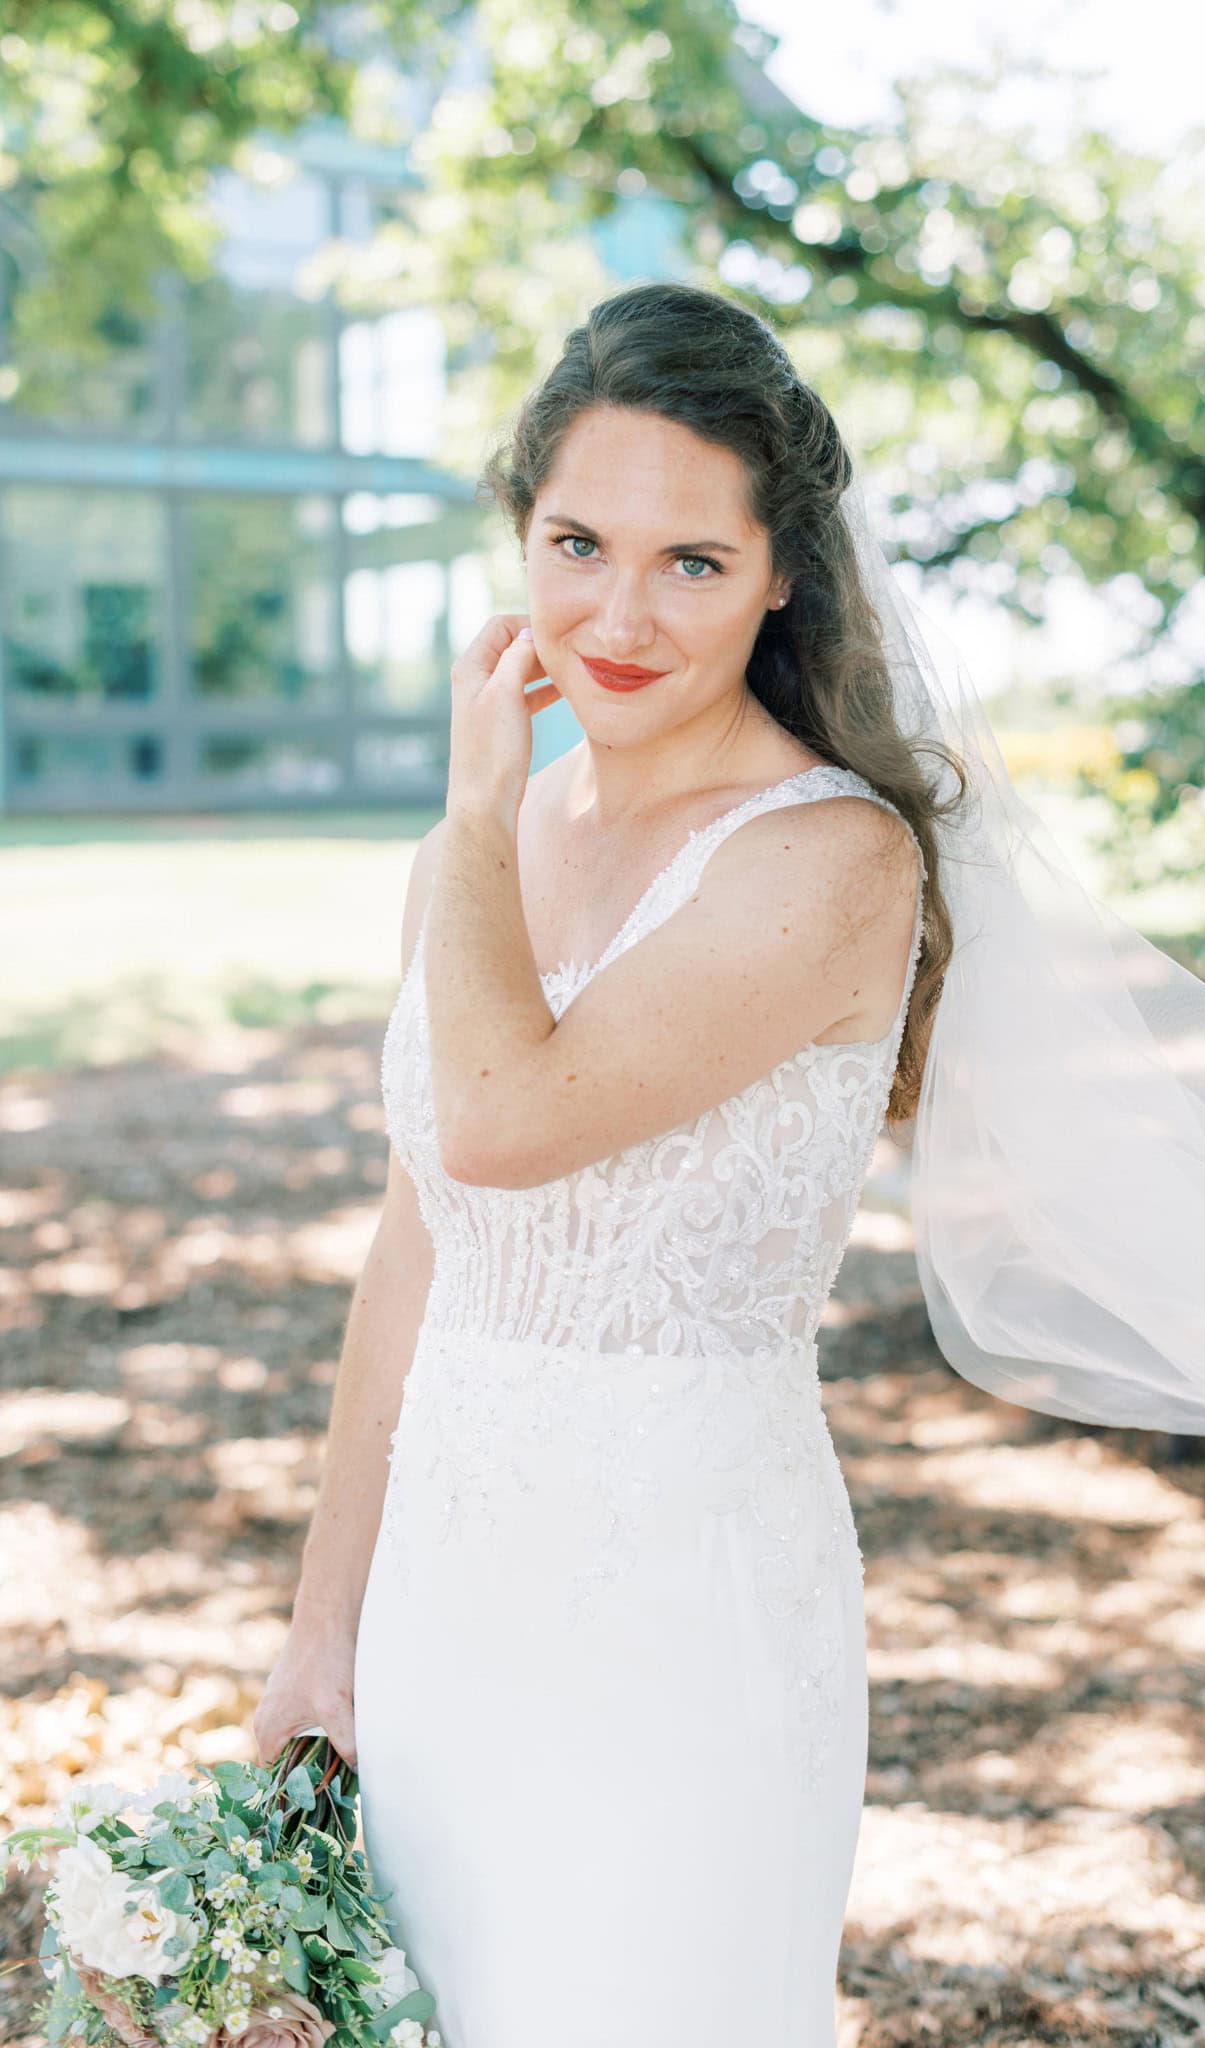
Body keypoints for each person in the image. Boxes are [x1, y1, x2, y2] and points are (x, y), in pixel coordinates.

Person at [254, 281, 953, 2047]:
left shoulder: (829, 864)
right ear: (519, 529)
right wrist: (322, 1632)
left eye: (689, 564)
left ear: (783, 572)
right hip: (447, 1582)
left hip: (679, 1589)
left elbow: (501, 1117)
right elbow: (425, 1238)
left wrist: (479, 806)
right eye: (576, 542)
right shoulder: (472, 864)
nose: (617, 618)